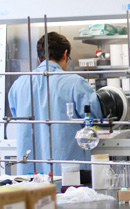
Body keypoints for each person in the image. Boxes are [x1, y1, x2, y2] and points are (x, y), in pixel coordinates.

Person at [9, 32, 103, 176]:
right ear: (65, 55)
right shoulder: (75, 82)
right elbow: (95, 117)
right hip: (66, 176)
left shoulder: (18, 85)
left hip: (29, 178)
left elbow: (17, 117)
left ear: (39, 58)